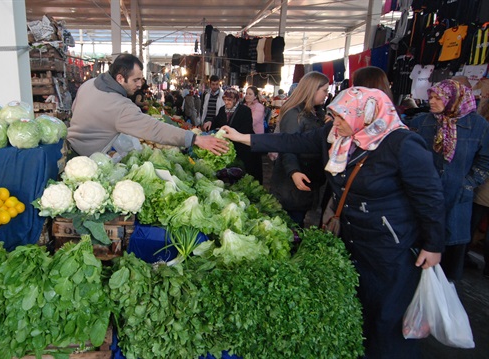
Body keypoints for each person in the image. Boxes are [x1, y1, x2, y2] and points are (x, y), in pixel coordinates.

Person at [222, 86, 445, 359]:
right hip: (352, 238)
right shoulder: (335, 136)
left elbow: (430, 196)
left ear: (366, 115)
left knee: (387, 318)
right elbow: (292, 141)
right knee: (361, 308)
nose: (334, 123)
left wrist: (434, 244)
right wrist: (243, 138)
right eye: (334, 116)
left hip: (391, 247)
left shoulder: (401, 144)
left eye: (341, 117)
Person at [67, 54, 228, 156]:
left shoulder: (89, 84)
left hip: (71, 149)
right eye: (136, 80)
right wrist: (194, 139)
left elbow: (75, 111)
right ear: (120, 78)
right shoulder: (119, 106)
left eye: (140, 79)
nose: (140, 84)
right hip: (90, 160)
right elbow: (154, 129)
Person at [410, 79, 489, 281]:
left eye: (439, 98)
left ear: (454, 99)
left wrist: (468, 183)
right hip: (422, 198)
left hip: (457, 200)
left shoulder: (478, 126)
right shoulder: (421, 123)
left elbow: (485, 159)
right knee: (418, 255)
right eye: (431, 97)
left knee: (450, 263)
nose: (432, 102)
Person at [270, 71, 329, 227]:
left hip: (306, 179)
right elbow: (287, 146)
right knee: (290, 225)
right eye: (324, 90)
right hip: (291, 184)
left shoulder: (317, 113)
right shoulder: (294, 114)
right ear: (312, 89)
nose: (327, 94)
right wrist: (294, 172)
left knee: (298, 221)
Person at [203, 88, 262, 182]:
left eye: (229, 100)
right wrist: (210, 122)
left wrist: (227, 132)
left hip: (243, 149)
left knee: (246, 175)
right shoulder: (223, 109)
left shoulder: (245, 110)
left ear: (235, 100)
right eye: (225, 100)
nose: (226, 102)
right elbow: (217, 121)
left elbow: (246, 129)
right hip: (229, 148)